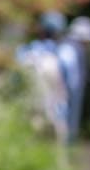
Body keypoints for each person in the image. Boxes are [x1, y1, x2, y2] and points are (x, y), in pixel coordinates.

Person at [16, 12, 70, 143]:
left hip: (30, 110)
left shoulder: (25, 53)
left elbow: (16, 82)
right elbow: (67, 85)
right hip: (56, 111)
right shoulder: (61, 55)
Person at [59, 16, 90, 142]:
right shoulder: (69, 48)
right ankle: (67, 145)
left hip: (69, 90)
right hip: (68, 91)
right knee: (66, 121)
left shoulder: (72, 47)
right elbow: (69, 70)